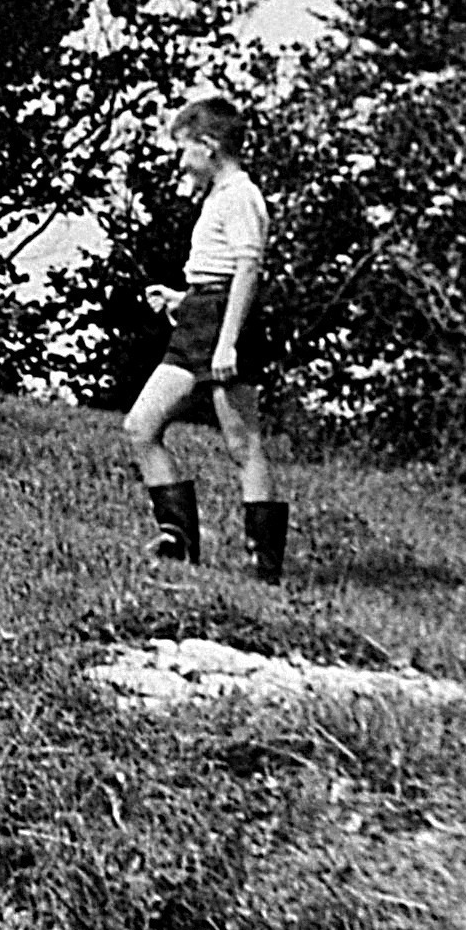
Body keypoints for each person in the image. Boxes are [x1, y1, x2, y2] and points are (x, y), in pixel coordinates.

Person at [122, 94, 289, 582]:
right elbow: (218, 268)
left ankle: (265, 566)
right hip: (200, 314)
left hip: (225, 322)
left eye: (184, 149)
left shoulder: (242, 195)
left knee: (243, 443)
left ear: (210, 146)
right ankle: (178, 542)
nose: (181, 161)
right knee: (140, 425)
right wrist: (181, 300)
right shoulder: (219, 195)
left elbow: (247, 268)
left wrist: (228, 341)